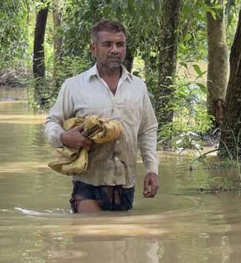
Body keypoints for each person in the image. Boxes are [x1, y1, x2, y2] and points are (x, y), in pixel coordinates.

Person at [44, 20, 159, 213]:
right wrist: (64, 137)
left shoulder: (138, 87)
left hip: (125, 183)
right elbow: (51, 123)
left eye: (120, 44)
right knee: (92, 237)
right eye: (108, 44)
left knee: (122, 240)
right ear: (93, 49)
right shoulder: (74, 86)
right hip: (88, 182)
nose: (115, 50)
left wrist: (152, 170)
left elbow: (147, 130)